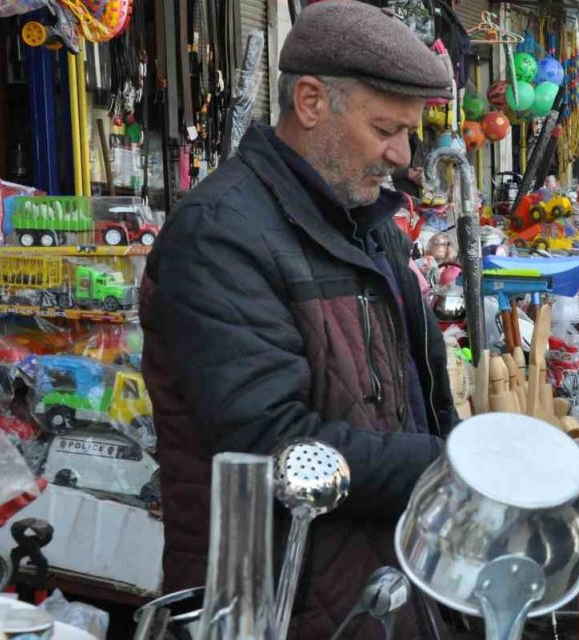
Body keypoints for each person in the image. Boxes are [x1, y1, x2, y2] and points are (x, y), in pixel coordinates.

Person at [140, 4, 458, 639]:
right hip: (275, 601)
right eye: (385, 130)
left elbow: (426, 394)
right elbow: (274, 445)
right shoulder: (220, 235)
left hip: (382, 590)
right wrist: (450, 469)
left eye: (408, 133)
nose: (402, 154)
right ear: (311, 101)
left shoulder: (370, 225)